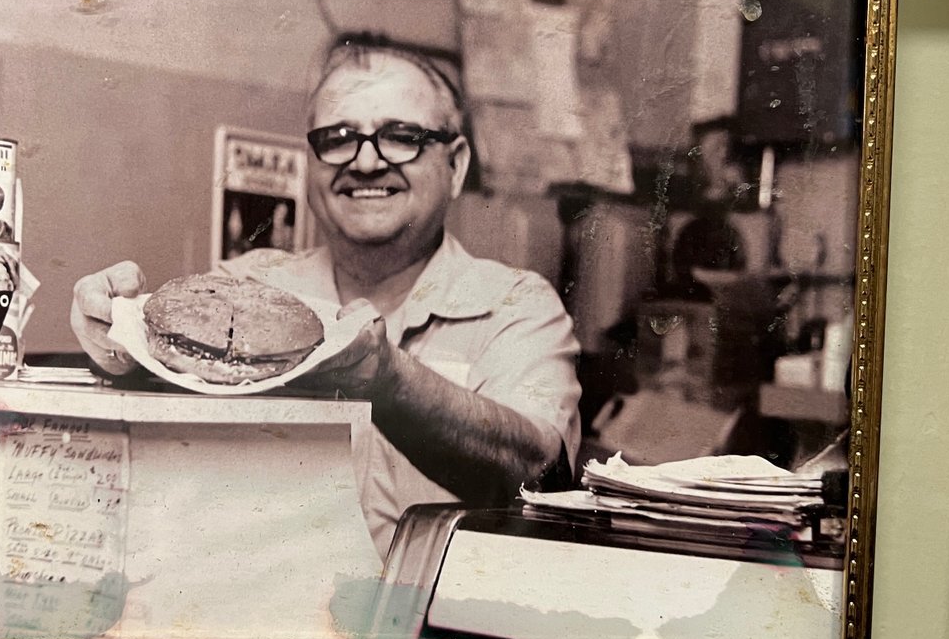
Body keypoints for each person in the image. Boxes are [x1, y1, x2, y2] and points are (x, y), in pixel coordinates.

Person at [69, 34, 583, 556]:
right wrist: (117, 343)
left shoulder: (517, 307)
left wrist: (390, 382)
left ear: (455, 166)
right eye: (338, 137)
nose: (364, 163)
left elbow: (541, 471)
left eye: (401, 135)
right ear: (310, 164)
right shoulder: (245, 288)